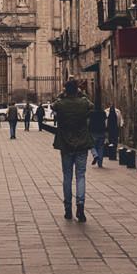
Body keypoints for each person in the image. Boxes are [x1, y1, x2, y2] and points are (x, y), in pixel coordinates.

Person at [52, 80, 95, 222]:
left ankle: (68, 209)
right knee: (81, 176)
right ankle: (80, 206)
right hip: (82, 144)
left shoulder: (61, 104)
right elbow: (91, 105)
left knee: (67, 177)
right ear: (77, 90)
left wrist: (63, 94)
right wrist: (80, 93)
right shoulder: (84, 103)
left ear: (65, 90)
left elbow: (54, 104)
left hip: (66, 144)